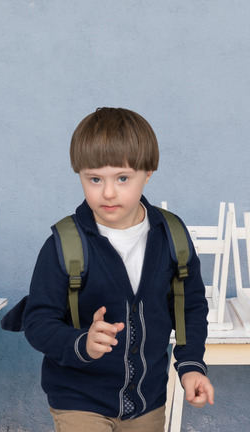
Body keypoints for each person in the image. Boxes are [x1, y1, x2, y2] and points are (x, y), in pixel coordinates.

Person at [23, 107, 214, 432]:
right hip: (78, 399)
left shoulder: (172, 235)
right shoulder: (65, 243)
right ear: (79, 174)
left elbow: (190, 307)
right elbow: (37, 321)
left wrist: (191, 365)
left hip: (147, 401)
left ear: (148, 172)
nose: (108, 192)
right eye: (94, 179)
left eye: (122, 178)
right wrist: (81, 342)